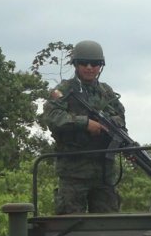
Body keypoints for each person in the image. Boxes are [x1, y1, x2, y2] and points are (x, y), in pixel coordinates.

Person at [40, 40, 126, 214]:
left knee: (109, 227)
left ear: (100, 66)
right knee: (70, 229)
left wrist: (115, 128)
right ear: (75, 65)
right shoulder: (64, 90)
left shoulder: (106, 92)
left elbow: (121, 120)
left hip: (104, 174)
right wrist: (84, 123)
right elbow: (52, 116)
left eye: (94, 63)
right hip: (74, 172)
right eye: (83, 63)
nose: (89, 67)